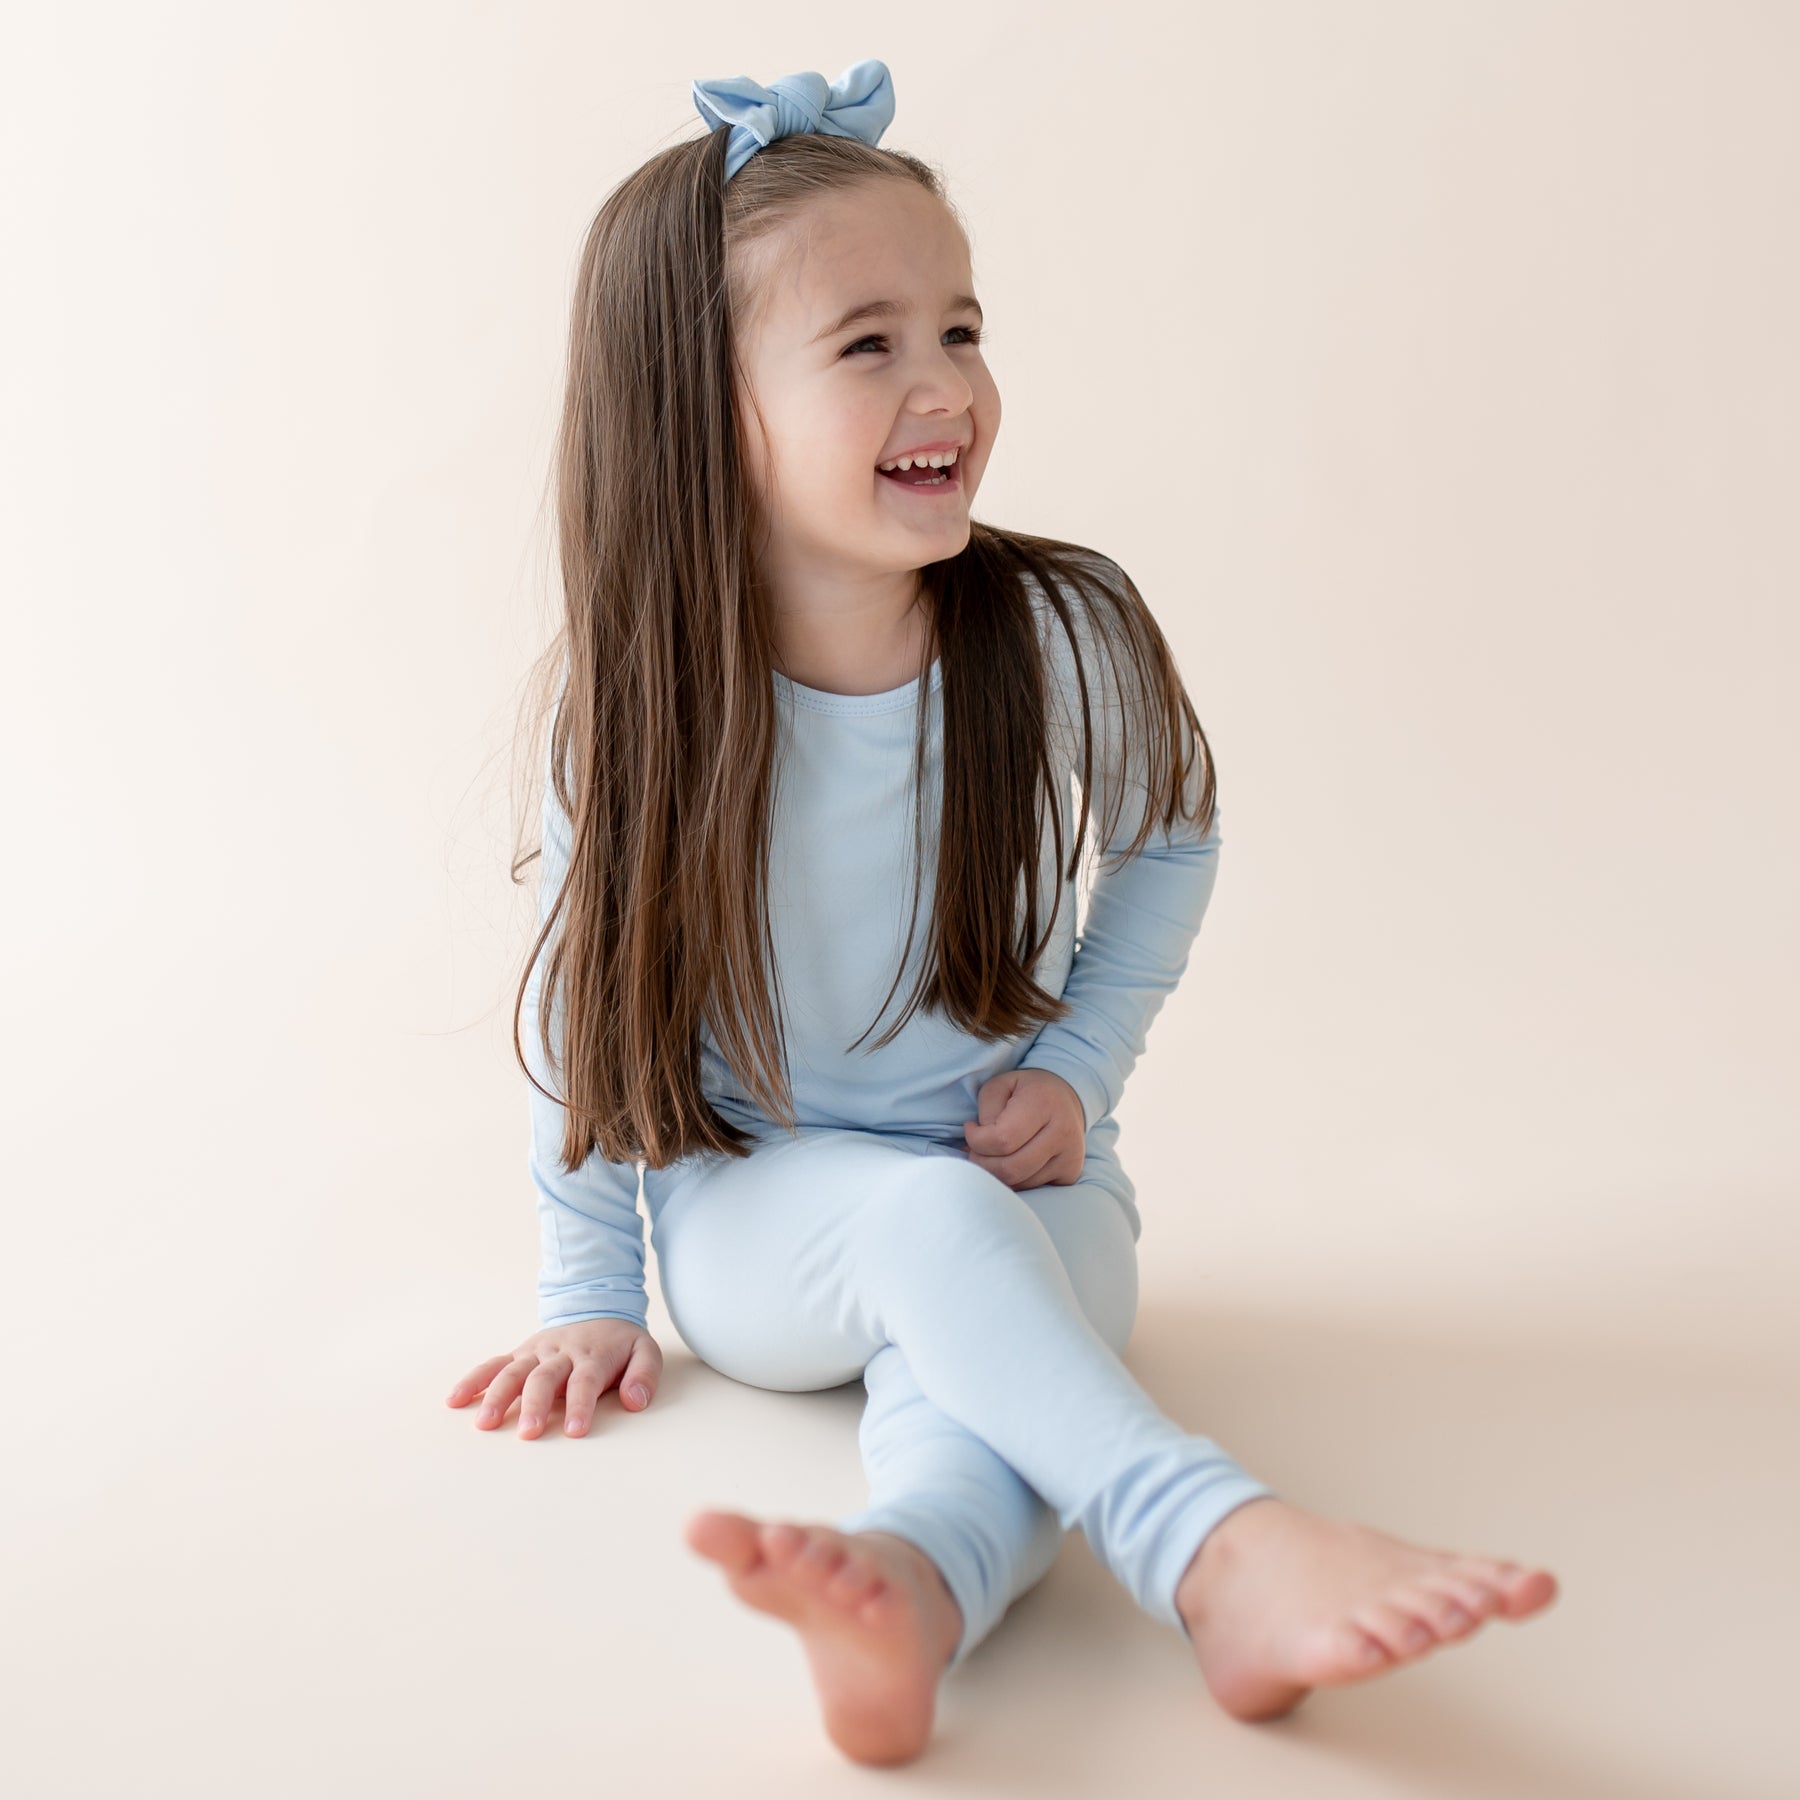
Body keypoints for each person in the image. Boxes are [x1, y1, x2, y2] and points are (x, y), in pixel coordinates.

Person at [445, 57, 1559, 1768]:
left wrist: (1084, 1072)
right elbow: (579, 1007)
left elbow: (1172, 837)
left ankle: (910, 1594)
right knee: (934, 1244)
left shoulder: (1061, 629)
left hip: (1031, 1176)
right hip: (764, 1211)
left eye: (960, 328)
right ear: (701, 410)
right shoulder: (640, 710)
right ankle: (1217, 1545)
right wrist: (590, 1282)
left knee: (987, 1379)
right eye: (869, 342)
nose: (947, 381)